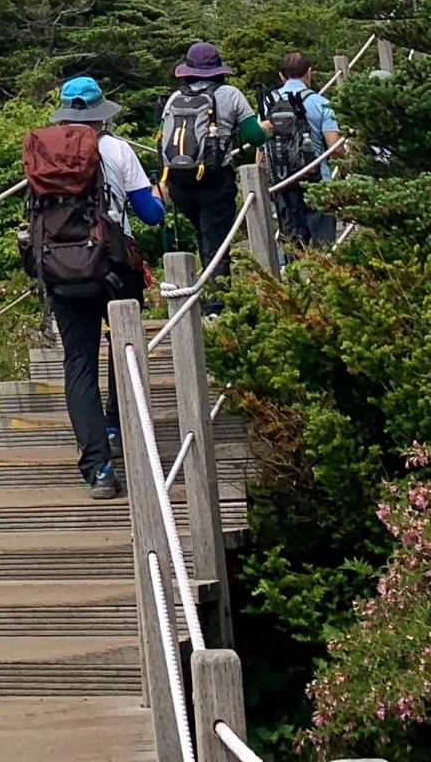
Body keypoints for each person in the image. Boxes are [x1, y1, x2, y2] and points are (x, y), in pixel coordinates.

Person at [24, 77, 166, 501]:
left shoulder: (44, 155)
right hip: (113, 266)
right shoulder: (118, 149)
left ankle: (98, 468)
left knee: (78, 363)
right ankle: (117, 426)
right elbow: (151, 214)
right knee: (124, 351)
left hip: (60, 270)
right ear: (101, 114)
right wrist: (161, 194)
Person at [155, 42, 263, 308]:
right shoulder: (231, 94)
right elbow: (254, 136)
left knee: (204, 234)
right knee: (217, 241)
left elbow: (163, 137)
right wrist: (267, 129)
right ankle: (217, 306)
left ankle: (204, 294)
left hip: (180, 181)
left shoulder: (174, 98)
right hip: (215, 179)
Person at [261, 51, 343, 247]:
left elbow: (262, 146)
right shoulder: (321, 103)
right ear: (309, 72)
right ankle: (323, 276)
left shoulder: (268, 104)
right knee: (324, 247)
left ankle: (294, 277)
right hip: (318, 181)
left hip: (283, 182)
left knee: (294, 246)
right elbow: (335, 148)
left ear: (282, 76)